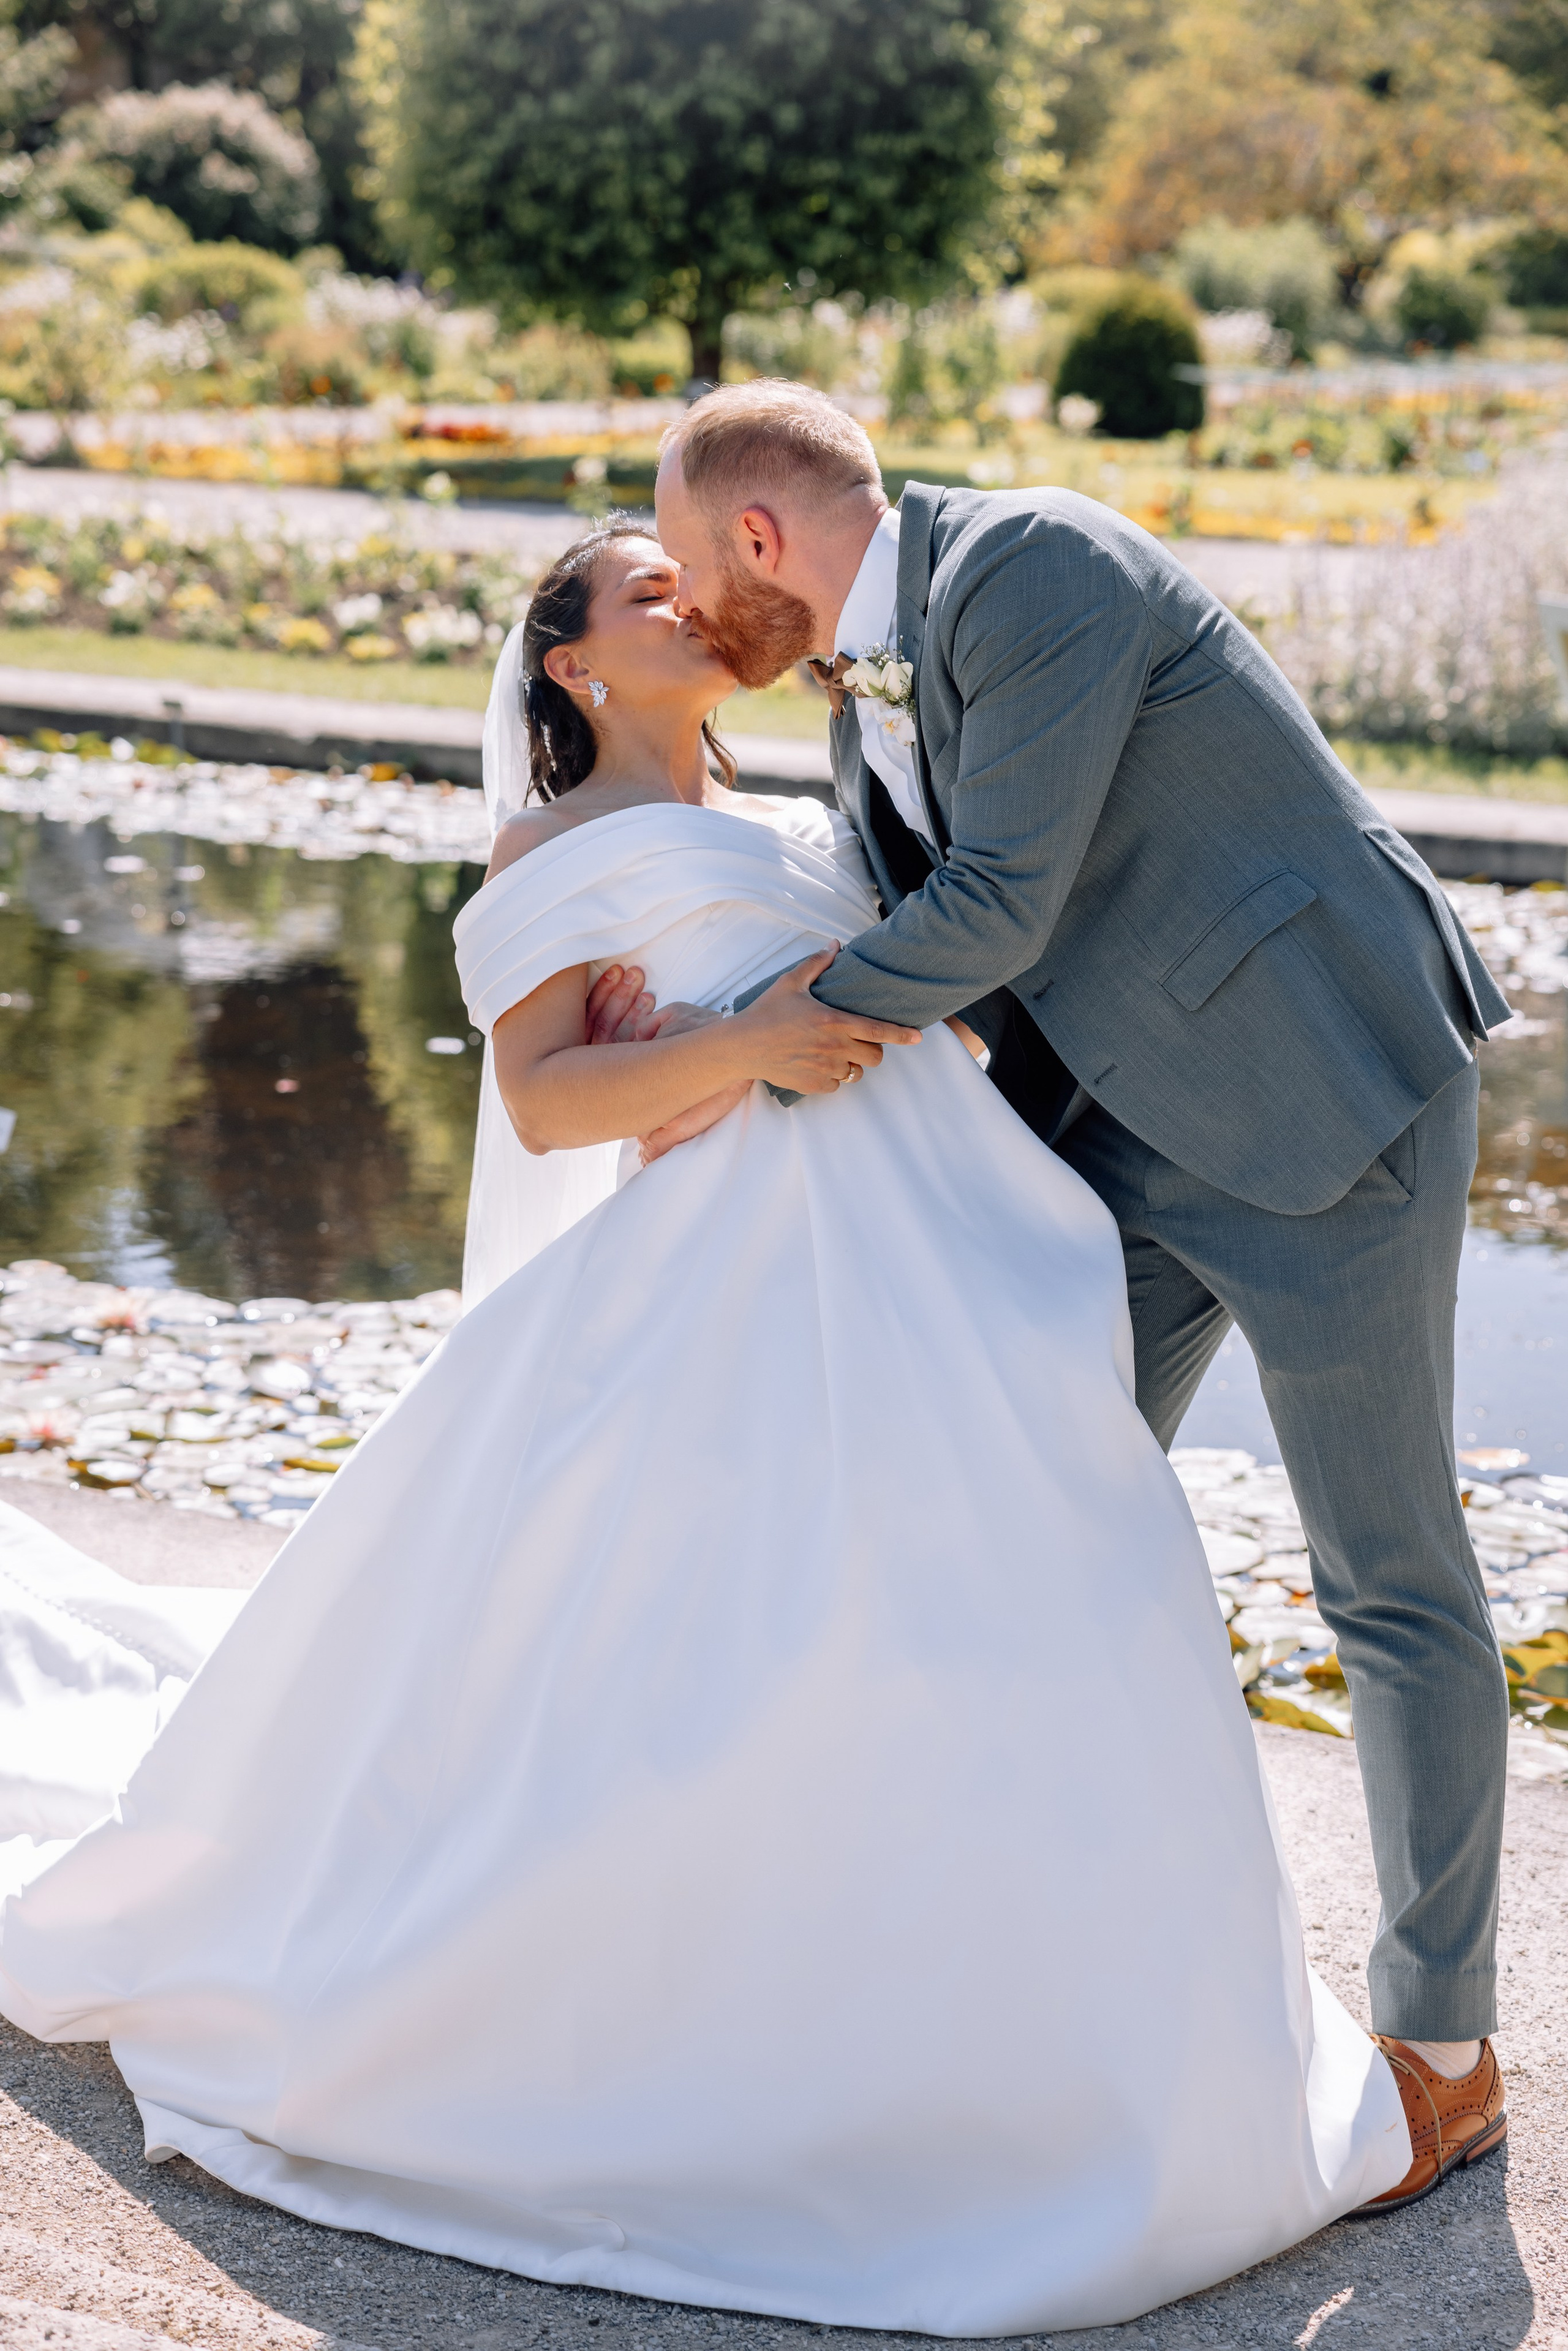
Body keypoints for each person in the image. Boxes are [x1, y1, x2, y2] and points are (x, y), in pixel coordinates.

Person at [0, 519, 1412, 2333]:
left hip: (938, 1260)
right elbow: (551, 1097)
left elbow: (936, 1012)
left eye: (689, 573)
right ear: (575, 666)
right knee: (724, 1650)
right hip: (729, 1289)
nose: (689, 597)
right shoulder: (547, 854)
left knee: (1025, 1613)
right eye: (644, 589)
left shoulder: (814, 824)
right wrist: (740, 1050)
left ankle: (1021, 2041)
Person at [616, 379, 1513, 2215]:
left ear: (764, 542)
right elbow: (896, 904)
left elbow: (1000, 906)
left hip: (1323, 1095)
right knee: (1004, 1515)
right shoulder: (859, 699)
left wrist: (748, 1041)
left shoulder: (1030, 567)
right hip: (1114, 1141)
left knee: (1392, 1579)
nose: (702, 617)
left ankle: (1447, 2049)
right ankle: (1010, 1989)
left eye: (700, 578)